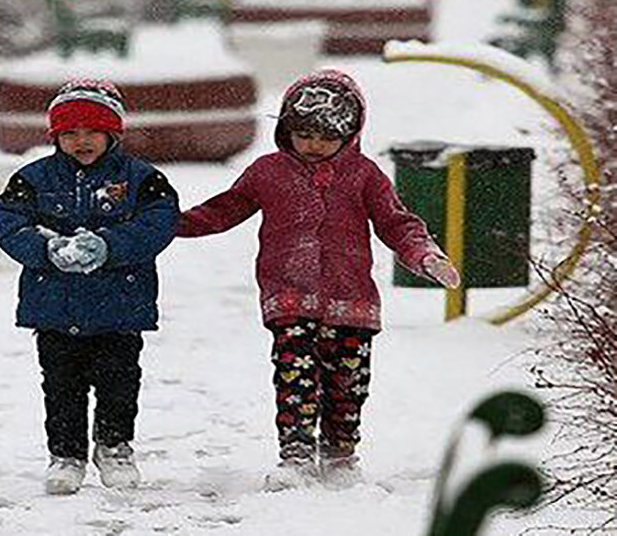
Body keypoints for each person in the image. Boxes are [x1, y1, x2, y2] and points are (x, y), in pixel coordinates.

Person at [175, 69, 461, 490]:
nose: (313, 145)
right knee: (295, 376)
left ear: (350, 135)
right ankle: (296, 456)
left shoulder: (364, 175)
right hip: (288, 297)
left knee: (348, 383)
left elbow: (397, 224)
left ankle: (341, 453)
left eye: (326, 137)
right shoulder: (266, 171)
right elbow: (223, 210)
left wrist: (424, 255)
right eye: (303, 134)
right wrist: (168, 225)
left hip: (352, 302)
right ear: (286, 130)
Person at [0, 79, 179, 495]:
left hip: (120, 310)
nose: (82, 141)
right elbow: (7, 221)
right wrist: (46, 248)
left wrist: (110, 245)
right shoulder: (32, 179)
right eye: (70, 133)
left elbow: (160, 221)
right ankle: (66, 454)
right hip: (56, 310)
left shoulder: (141, 180)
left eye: (92, 132)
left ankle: (114, 447)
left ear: (113, 133)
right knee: (61, 387)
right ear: (55, 137)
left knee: (119, 383)